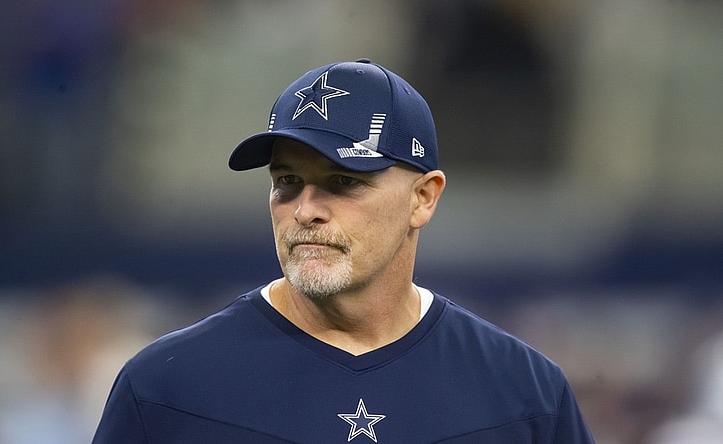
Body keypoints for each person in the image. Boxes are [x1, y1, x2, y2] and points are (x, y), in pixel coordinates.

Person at [92, 59, 595, 443]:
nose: (305, 209)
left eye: (342, 182)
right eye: (286, 181)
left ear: (423, 198)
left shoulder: (523, 395)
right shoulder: (167, 386)